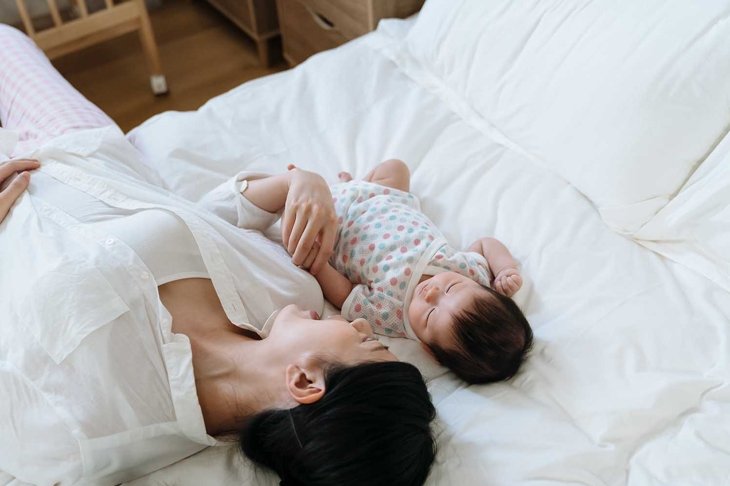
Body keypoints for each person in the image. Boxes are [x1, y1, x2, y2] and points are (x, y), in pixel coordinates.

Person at [0, 25, 435, 486]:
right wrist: (300, 183)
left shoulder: (81, 435)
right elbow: (206, 216)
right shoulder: (290, 291)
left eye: (370, 343)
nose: (363, 324)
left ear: (305, 382)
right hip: (77, 145)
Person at [267, 160, 534, 384]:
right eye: (451, 288)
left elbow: (346, 295)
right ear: (481, 286)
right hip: (385, 196)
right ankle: (356, 182)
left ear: (428, 349)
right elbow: (485, 244)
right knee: (396, 168)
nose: (432, 293)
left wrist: (320, 264)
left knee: (293, 226)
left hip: (338, 222)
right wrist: (504, 268)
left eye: (430, 315)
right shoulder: (469, 272)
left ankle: (327, 188)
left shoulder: (390, 314)